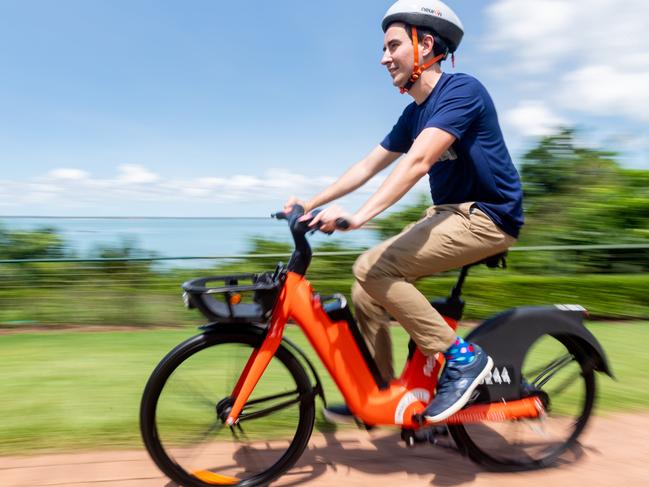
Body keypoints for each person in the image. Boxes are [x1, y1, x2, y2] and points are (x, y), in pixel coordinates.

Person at [283, 0, 523, 423]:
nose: (382, 58)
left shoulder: (463, 91)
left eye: (392, 46)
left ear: (425, 43)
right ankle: (383, 394)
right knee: (365, 288)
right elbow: (367, 165)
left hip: (487, 216)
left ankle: (462, 358)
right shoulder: (414, 114)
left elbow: (418, 162)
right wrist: (310, 201)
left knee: (374, 271)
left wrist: (360, 216)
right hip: (447, 213)